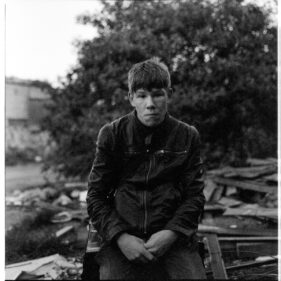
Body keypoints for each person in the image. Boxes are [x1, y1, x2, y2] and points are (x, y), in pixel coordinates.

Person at [86, 57, 206, 280]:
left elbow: (195, 196)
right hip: (123, 238)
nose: (150, 103)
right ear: (131, 98)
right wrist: (121, 238)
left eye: (158, 94)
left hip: (172, 238)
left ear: (168, 94)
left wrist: (171, 234)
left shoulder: (187, 135)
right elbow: (95, 196)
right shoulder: (112, 134)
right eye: (142, 96)